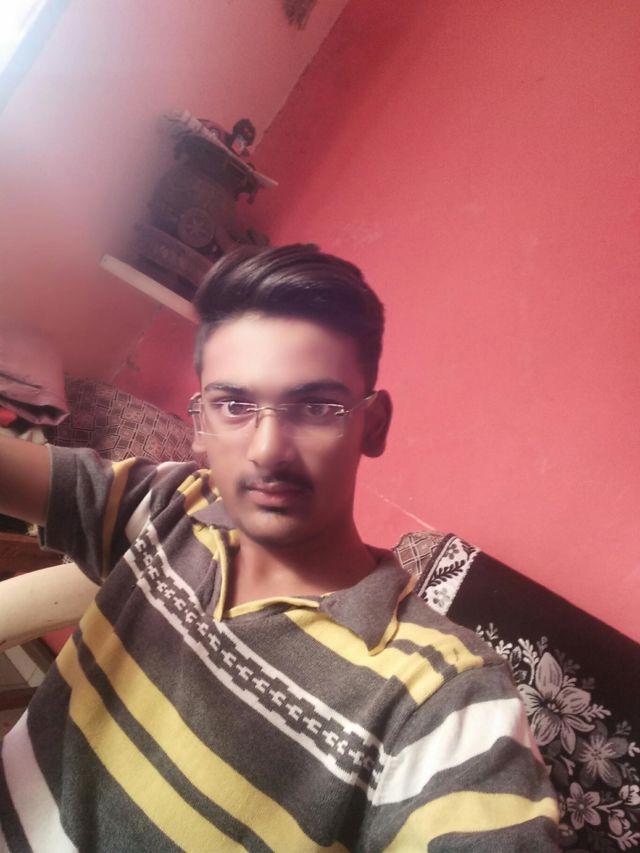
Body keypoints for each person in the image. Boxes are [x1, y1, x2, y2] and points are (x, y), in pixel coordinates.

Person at [0, 244, 559, 851]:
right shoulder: (165, 506)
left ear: (372, 426)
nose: (268, 450)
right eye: (234, 405)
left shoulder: (442, 699)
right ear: (200, 424)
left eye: (316, 406)